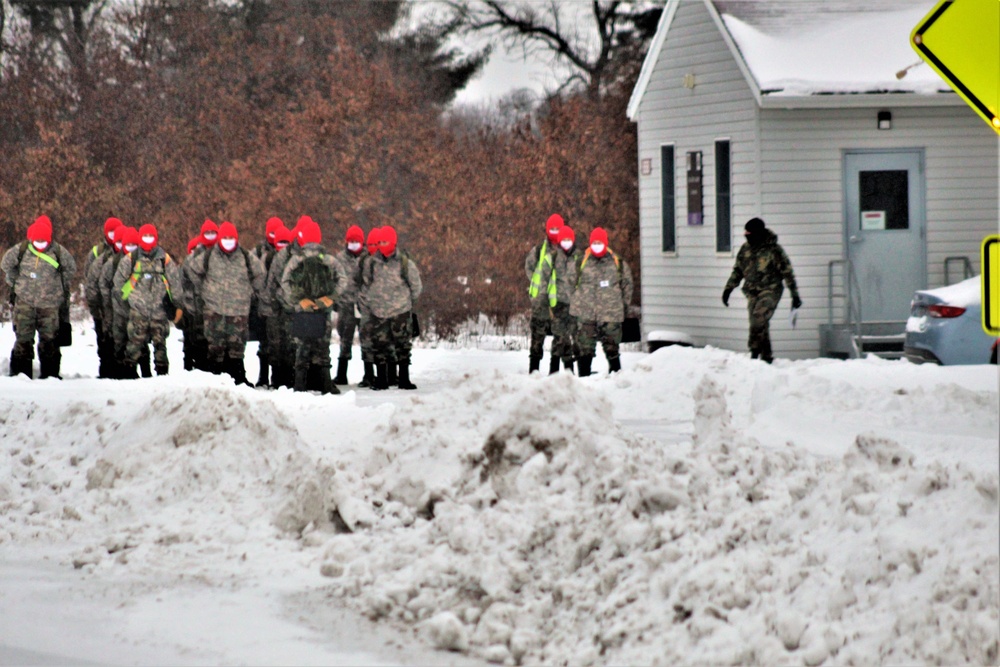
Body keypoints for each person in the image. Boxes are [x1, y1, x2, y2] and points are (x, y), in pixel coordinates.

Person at [190, 221, 266, 385]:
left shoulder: (246, 257)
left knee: (237, 346)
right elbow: (193, 271)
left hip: (239, 310)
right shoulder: (209, 256)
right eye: (225, 237)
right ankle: (215, 377)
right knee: (215, 345)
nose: (229, 241)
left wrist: (250, 292)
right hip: (214, 309)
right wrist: (206, 290)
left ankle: (238, 376)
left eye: (232, 237)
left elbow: (260, 274)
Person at [2, 215, 77, 379]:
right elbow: (6, 264)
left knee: (49, 342)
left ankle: (50, 375)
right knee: (23, 339)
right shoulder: (21, 250)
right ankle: (20, 375)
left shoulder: (58, 251)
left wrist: (55, 286)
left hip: (49, 306)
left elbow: (70, 269)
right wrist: (17, 282)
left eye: (43, 241)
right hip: (25, 303)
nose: (40, 244)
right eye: (37, 241)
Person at [722, 217, 802, 363]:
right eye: (745, 234)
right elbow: (738, 271)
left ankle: (754, 352)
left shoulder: (774, 250)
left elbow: (787, 273)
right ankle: (766, 357)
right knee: (758, 323)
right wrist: (728, 289)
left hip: (771, 290)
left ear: (758, 234)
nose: (747, 237)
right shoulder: (745, 249)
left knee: (758, 318)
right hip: (752, 292)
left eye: (750, 234)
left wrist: (794, 295)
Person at [279, 222, 345, 394]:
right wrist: (330, 299)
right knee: (323, 349)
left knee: (302, 348)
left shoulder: (296, 259)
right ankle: (325, 385)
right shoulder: (329, 259)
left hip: (303, 311)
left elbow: (285, 281)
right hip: (323, 311)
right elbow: (343, 280)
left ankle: (300, 386)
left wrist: (298, 301)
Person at [112, 223, 183, 378]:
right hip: (138, 311)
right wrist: (129, 303)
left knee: (160, 346)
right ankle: (128, 374)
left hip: (160, 311)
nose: (148, 239)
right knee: (134, 345)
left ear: (156, 238)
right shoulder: (130, 260)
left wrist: (177, 306)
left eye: (151, 236)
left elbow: (175, 283)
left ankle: (162, 377)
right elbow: (118, 284)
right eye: (145, 236)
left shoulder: (165, 259)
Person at [359, 225, 421, 390]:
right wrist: (370, 303)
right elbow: (366, 283)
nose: (382, 245)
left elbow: (416, 286)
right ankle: (381, 380)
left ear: (393, 242)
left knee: (403, 345)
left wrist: (405, 302)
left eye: (385, 241)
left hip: (400, 311)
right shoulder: (372, 263)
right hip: (378, 312)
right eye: (380, 242)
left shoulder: (405, 263)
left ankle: (404, 379)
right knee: (380, 346)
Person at [570, 227, 633, 377]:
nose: (597, 245)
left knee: (612, 347)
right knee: (585, 348)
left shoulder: (617, 262)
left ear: (605, 243)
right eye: (594, 242)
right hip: (586, 312)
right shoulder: (581, 261)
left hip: (610, 313)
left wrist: (622, 307)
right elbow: (570, 283)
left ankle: (616, 378)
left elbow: (627, 285)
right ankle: (584, 379)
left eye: (600, 242)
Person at [524, 213, 563, 374]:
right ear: (547, 230)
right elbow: (529, 268)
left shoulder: (566, 250)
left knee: (559, 338)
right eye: (552, 229)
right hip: (540, 303)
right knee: (537, 339)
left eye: (557, 229)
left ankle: (554, 373)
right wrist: (539, 286)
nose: (554, 231)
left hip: (560, 303)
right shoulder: (539, 250)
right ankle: (534, 372)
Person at [84, 217, 123, 378]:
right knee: (104, 341)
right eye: (111, 232)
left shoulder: (128, 249)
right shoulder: (97, 252)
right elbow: (89, 279)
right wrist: (95, 307)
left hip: (121, 306)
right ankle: (106, 373)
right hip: (103, 306)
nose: (113, 235)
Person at [182, 220, 219, 371]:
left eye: (213, 233)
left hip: (218, 307)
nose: (210, 236)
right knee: (197, 343)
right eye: (207, 233)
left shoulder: (223, 257)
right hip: (197, 308)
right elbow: (184, 283)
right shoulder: (192, 260)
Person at [251, 216, 284, 386]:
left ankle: (278, 378)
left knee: (279, 344)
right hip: (262, 303)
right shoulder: (258, 251)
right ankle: (263, 376)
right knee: (264, 343)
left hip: (282, 304)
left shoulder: (285, 247)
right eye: (271, 232)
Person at [332, 224, 365, 385]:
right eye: (350, 241)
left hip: (364, 305)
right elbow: (334, 279)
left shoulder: (368, 258)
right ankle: (341, 374)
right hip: (345, 304)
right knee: (345, 339)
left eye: (356, 241)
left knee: (367, 339)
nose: (353, 244)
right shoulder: (339, 258)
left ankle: (369, 374)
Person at [551, 224, 581, 374]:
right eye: (564, 239)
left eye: (569, 239)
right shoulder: (553, 258)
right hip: (559, 305)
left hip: (576, 306)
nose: (566, 242)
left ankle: (583, 374)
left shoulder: (580, 258)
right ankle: (559, 372)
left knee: (579, 341)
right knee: (560, 340)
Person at [355, 226, 382, 388]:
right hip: (365, 306)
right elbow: (357, 281)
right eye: (369, 245)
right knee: (366, 341)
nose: (372, 249)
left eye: (375, 245)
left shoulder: (386, 261)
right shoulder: (363, 261)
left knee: (382, 342)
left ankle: (383, 375)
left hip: (382, 308)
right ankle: (368, 374)